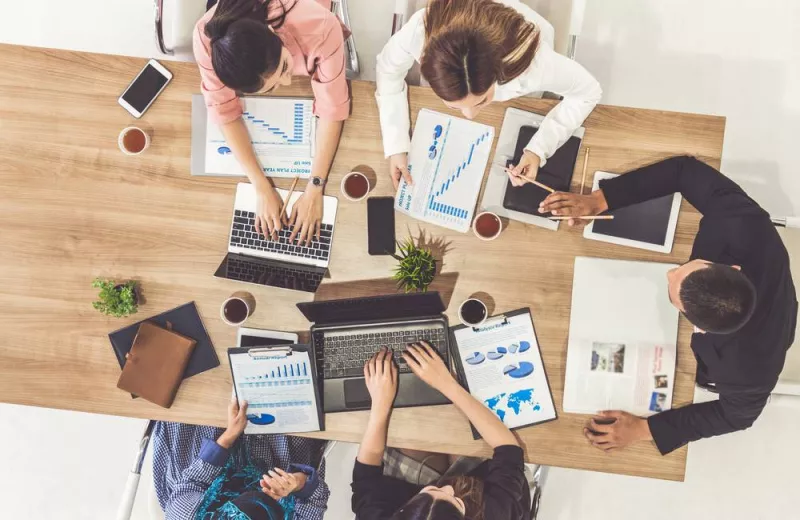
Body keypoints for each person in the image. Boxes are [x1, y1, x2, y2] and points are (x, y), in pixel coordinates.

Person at [538, 155, 798, 455]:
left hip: (769, 334)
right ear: (731, 268)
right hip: (772, 282)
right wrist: (600, 200)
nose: (670, 272)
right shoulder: (744, 223)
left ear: (698, 326)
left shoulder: (747, 372)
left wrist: (644, 429)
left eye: (673, 292)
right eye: (686, 269)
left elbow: (738, 417)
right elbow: (683, 170)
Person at [375, 0, 602, 192]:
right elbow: (388, 71)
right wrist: (395, 144)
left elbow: (588, 92)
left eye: (481, 100)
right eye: (456, 107)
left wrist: (538, 149)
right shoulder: (418, 32)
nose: (470, 116)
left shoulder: (535, 64)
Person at [194, 0, 350, 245]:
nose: (287, 83)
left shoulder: (321, 26)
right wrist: (260, 186)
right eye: (271, 87)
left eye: (285, 66)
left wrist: (315, 186)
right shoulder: (208, 40)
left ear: (271, 31)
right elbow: (223, 109)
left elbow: (333, 108)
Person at [351, 344, 531, 519]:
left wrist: (380, 403)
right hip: (484, 485)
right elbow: (508, 449)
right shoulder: (497, 515)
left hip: (405, 488)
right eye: (455, 500)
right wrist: (447, 384)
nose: (448, 487)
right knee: (460, 428)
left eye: (430, 492)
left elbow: (366, 477)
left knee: (411, 422)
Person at [153, 398, 330, 518]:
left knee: (202, 403)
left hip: (208, 483)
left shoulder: (185, 515)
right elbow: (316, 499)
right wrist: (295, 483)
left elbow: (192, 481)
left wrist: (229, 436)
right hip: (277, 461)